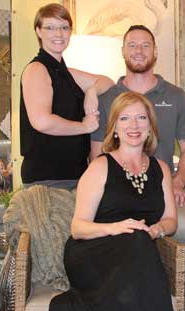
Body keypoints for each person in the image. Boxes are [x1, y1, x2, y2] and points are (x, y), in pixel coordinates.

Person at [49, 92, 178, 311]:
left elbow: (171, 220)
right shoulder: (100, 166)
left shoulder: (162, 169)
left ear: (150, 126)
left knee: (138, 243)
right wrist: (115, 227)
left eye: (141, 118)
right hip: (92, 252)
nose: (134, 125)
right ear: (115, 128)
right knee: (136, 240)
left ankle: (73, 308)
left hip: (136, 254)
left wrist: (156, 230)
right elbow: (78, 227)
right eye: (125, 118)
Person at [90, 25, 185, 248]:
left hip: (163, 191)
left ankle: (173, 281)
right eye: (132, 45)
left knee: (184, 228)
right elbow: (97, 154)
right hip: (119, 194)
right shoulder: (107, 99)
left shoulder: (176, 96)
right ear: (123, 51)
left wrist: (177, 183)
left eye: (145, 45)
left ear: (155, 51)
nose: (139, 50)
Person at [20, 3, 114, 190]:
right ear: (38, 31)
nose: (59, 34)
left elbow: (107, 82)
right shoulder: (37, 69)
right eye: (50, 28)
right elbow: (42, 121)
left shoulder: (64, 72)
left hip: (74, 175)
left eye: (64, 27)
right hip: (47, 180)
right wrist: (84, 126)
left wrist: (91, 91)